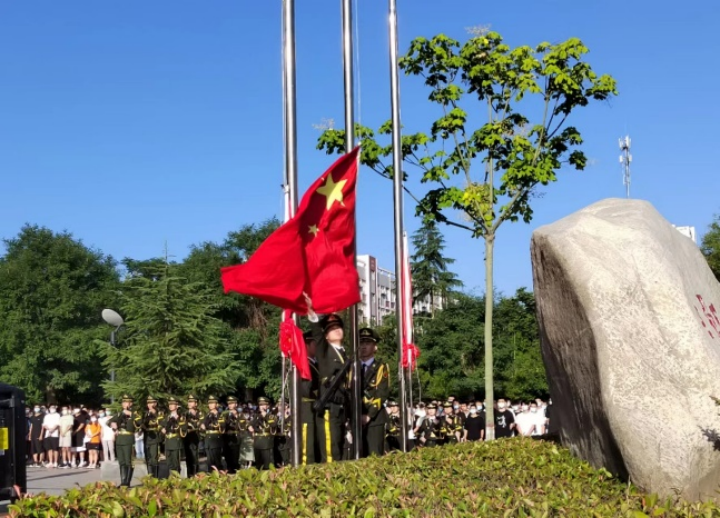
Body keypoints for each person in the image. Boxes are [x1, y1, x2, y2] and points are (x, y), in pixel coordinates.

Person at [312, 313, 350, 463]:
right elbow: (317, 334)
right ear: (326, 336)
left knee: (340, 449)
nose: (337, 330)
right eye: (332, 329)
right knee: (330, 451)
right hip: (329, 407)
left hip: (341, 408)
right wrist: (313, 315)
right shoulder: (325, 351)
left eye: (338, 327)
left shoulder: (345, 354)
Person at [358, 327, 390, 457]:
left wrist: (369, 415)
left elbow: (382, 392)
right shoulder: (352, 367)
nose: (363, 346)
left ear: (375, 347)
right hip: (356, 416)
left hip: (374, 418)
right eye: (361, 342)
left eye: (368, 343)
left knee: (374, 455)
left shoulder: (381, 367)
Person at [108, 394, 138, 487]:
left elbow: (140, 422)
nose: (125, 404)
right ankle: (123, 481)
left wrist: (131, 414)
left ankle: (127, 482)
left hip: (128, 439)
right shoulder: (119, 414)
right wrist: (113, 425)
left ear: (131, 403)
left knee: (128, 461)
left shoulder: (135, 413)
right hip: (119, 439)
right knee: (121, 462)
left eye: (127, 402)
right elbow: (109, 421)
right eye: (123, 402)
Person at [301, 331, 320, 464]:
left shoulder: (316, 364)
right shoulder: (304, 365)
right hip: (307, 409)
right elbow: (306, 390)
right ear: (307, 345)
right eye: (315, 343)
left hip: (316, 408)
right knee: (308, 445)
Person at [136, 395, 164, 478]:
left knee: (154, 459)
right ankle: (150, 477)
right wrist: (141, 429)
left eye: (151, 403)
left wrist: (154, 415)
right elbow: (142, 424)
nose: (149, 405)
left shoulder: (159, 413)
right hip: (146, 438)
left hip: (155, 438)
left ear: (155, 403)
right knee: (147, 458)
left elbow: (161, 425)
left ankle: (155, 478)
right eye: (148, 403)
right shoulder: (145, 414)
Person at [249, 397, 276, 470]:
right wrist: (250, 427)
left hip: (266, 441)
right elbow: (250, 424)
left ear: (267, 406)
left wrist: (266, 415)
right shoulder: (256, 416)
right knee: (258, 463)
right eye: (260, 405)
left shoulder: (271, 416)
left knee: (267, 463)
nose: (261, 407)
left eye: (263, 405)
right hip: (257, 441)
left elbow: (273, 425)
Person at [161, 397, 185, 476]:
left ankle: (177, 479)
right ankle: (171, 478)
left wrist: (176, 423)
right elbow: (162, 426)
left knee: (176, 463)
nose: (170, 406)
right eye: (170, 404)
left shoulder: (180, 417)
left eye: (173, 404)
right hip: (168, 442)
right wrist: (163, 429)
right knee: (169, 463)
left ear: (177, 405)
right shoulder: (167, 417)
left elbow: (183, 429)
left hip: (175, 442)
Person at [201, 395, 225, 472]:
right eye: (209, 403)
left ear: (216, 404)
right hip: (208, 440)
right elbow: (202, 425)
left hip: (216, 439)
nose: (210, 405)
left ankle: (219, 475)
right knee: (210, 461)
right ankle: (211, 474)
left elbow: (222, 426)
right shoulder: (207, 415)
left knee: (217, 460)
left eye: (212, 403)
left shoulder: (220, 415)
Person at [183, 394, 203, 476]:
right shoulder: (185, 414)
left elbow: (201, 425)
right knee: (188, 458)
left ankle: (195, 475)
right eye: (189, 402)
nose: (189, 403)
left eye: (191, 402)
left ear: (196, 403)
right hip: (186, 438)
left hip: (195, 438)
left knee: (194, 458)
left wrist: (193, 424)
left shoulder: (199, 414)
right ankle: (189, 476)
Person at [222, 396, 242, 474]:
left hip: (236, 437)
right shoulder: (224, 414)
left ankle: (235, 470)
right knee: (227, 455)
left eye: (232, 403)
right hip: (226, 437)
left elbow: (243, 425)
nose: (230, 405)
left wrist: (236, 417)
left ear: (236, 404)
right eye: (229, 404)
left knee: (235, 456)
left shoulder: (239, 414)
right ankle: (229, 470)